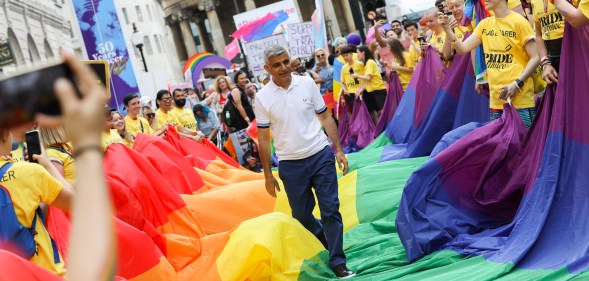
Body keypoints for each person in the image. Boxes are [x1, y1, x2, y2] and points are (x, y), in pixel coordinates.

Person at [255, 44, 355, 279]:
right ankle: (323, 237)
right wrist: (268, 175)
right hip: (290, 164)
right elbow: (262, 138)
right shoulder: (262, 97)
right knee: (301, 216)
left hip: (320, 154)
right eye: (277, 65)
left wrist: (338, 150)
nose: (284, 67)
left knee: (331, 209)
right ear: (267, 68)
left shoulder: (307, 83)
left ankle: (338, 261)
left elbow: (325, 116)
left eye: (286, 62)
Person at [441, 0, 540, 128]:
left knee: (525, 144)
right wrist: (447, 30)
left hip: (520, 98)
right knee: (502, 146)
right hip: (496, 101)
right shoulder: (484, 25)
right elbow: (463, 48)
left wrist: (517, 83)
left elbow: (536, 57)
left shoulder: (519, 22)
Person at [530, 0, 564, 84]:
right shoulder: (535, 2)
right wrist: (545, 63)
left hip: (573, 51)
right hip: (552, 57)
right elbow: (539, 35)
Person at [353, 45, 388, 124]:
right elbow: (368, 81)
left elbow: (368, 78)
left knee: (384, 113)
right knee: (380, 113)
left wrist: (357, 75)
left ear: (363, 53)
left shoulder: (370, 62)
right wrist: (360, 89)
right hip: (373, 91)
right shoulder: (367, 64)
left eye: (358, 53)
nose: (357, 55)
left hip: (378, 91)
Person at [340, 45, 364, 110]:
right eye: (343, 56)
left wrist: (361, 89)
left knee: (369, 111)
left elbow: (366, 79)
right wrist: (346, 90)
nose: (345, 57)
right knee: (357, 112)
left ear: (351, 54)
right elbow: (342, 82)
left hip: (362, 91)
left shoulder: (360, 64)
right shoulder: (343, 68)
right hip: (351, 94)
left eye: (346, 55)